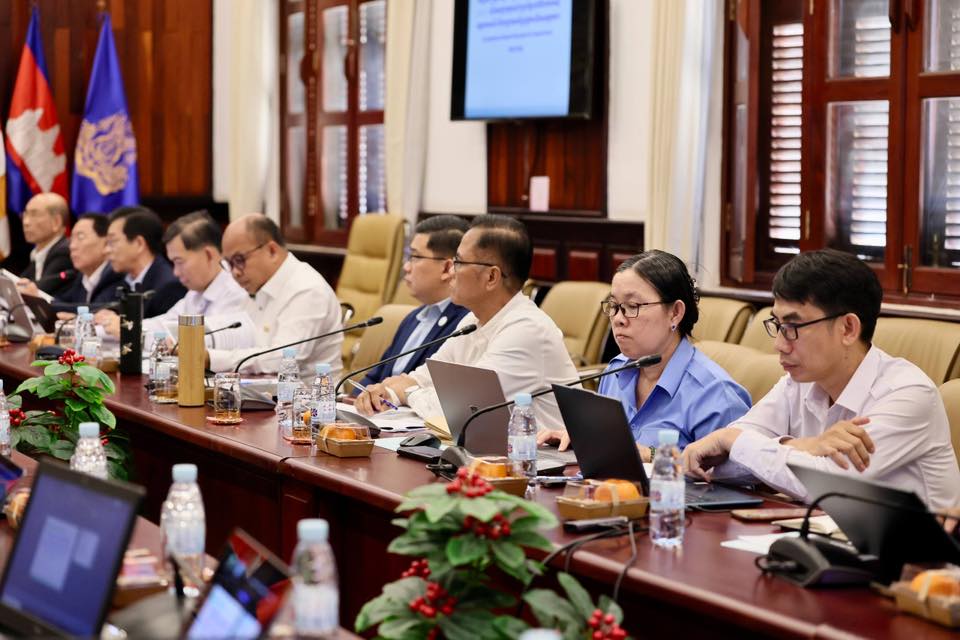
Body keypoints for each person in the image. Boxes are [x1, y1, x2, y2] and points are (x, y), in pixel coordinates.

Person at [682, 249, 960, 510]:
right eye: (777, 325)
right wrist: (802, 446)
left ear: (848, 328)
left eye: (792, 327)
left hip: (916, 546)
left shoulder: (907, 394)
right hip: (823, 536)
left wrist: (732, 438)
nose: (779, 344)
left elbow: (826, 486)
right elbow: (711, 465)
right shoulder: (797, 382)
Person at [354, 214, 579, 430]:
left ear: (491, 277)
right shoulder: (471, 321)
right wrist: (388, 393)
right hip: (487, 450)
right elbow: (424, 378)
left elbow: (460, 410)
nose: (450, 271)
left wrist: (406, 393)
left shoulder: (526, 330)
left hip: (540, 455)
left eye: (459, 262)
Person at [537, 250, 751, 459]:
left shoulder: (716, 395)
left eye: (632, 306)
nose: (618, 319)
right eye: (614, 305)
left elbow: (733, 476)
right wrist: (583, 439)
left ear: (675, 313)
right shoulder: (615, 371)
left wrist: (654, 455)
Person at [207, 213, 342, 376]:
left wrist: (212, 358)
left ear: (272, 251)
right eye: (229, 264)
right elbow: (240, 341)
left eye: (239, 259)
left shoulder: (307, 289)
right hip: (261, 387)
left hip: (311, 390)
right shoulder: (257, 285)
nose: (235, 272)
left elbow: (283, 360)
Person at [357, 215, 471, 388]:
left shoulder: (464, 326)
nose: (406, 267)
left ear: (447, 268)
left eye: (415, 257)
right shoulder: (413, 318)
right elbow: (374, 378)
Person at [95, 211, 248, 339]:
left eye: (179, 262)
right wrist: (124, 325)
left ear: (209, 255)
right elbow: (165, 324)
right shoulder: (195, 293)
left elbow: (202, 342)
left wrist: (130, 331)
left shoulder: (236, 292)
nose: (175, 272)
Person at [95, 206, 187, 320]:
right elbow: (97, 307)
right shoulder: (115, 278)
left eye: (112, 242)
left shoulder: (168, 286)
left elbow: (163, 328)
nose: (106, 250)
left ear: (139, 244)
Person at [46, 214, 124, 312]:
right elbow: (63, 301)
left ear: (106, 243)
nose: (72, 246)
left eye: (80, 237)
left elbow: (101, 308)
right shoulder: (81, 277)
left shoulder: (115, 274)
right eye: (71, 239)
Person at [16, 193, 72, 296]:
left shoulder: (65, 252)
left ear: (56, 222)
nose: (26, 222)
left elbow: (41, 290)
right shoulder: (37, 255)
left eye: (34, 215)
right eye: (25, 215)